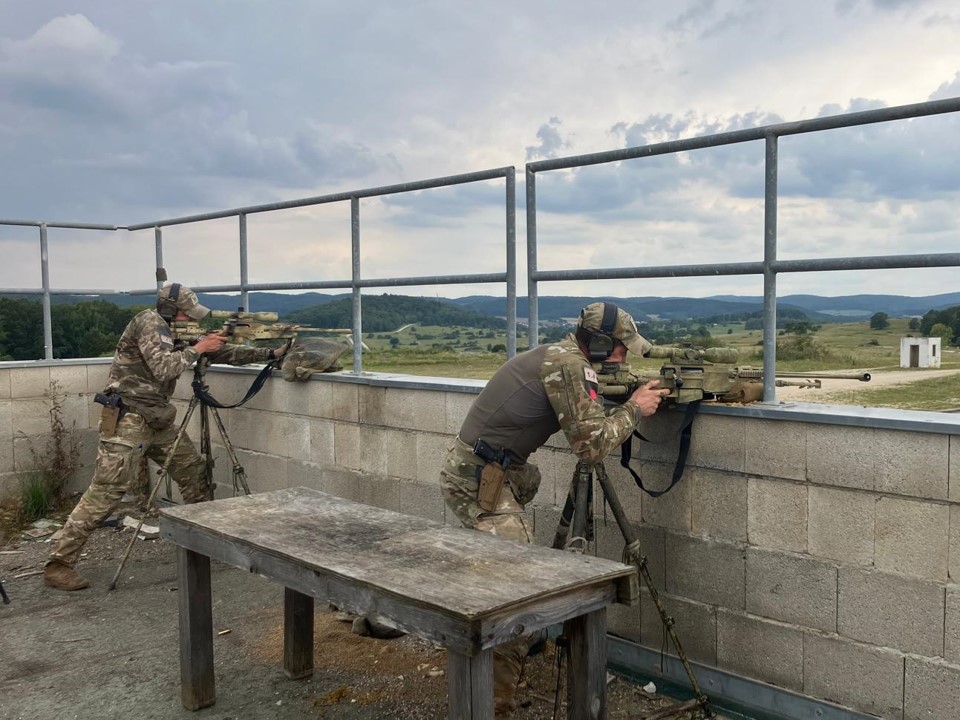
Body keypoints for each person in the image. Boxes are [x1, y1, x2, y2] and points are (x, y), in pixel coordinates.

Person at [440, 301, 670, 715]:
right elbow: (591, 447)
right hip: (477, 480)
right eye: (620, 347)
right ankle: (493, 706)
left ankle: (517, 645)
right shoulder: (569, 365)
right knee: (515, 593)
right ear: (598, 343)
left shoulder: (561, 355)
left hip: (490, 472)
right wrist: (636, 408)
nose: (623, 355)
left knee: (502, 575)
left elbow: (585, 405)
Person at [43, 283, 288, 591]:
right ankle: (58, 564)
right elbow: (162, 367)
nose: (193, 321)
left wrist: (270, 353)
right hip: (128, 419)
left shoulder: (176, 330)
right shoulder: (149, 323)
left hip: (158, 419)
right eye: (189, 314)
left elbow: (223, 351)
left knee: (194, 471)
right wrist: (199, 348)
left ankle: (204, 541)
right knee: (106, 492)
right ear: (171, 310)